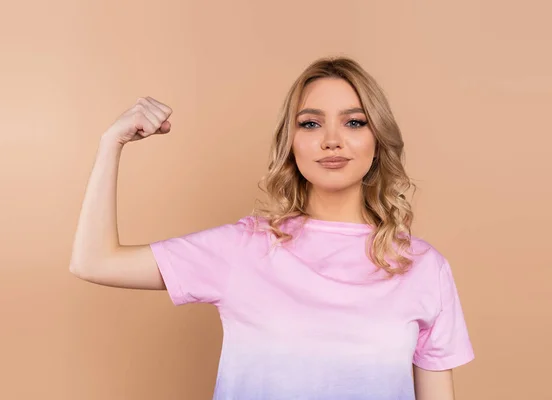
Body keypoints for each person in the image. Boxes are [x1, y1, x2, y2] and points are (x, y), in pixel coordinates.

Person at [69, 56, 475, 400]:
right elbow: (93, 261)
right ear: (291, 142)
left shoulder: (423, 267)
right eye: (311, 124)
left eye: (354, 122)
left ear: (378, 138)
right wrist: (111, 143)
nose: (332, 140)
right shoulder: (242, 249)